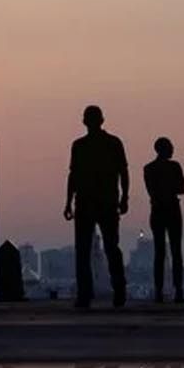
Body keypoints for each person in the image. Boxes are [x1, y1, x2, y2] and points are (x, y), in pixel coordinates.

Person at [64, 105, 130, 308]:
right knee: (111, 248)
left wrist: (68, 202)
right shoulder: (113, 143)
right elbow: (123, 173)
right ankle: (118, 291)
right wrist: (124, 197)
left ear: (85, 121)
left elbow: (73, 176)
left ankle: (86, 294)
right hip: (105, 202)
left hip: (86, 202)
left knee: (84, 250)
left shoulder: (80, 145)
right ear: (102, 120)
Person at [142, 137, 184, 303]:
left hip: (157, 210)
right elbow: (182, 189)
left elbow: (151, 191)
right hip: (172, 210)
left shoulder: (148, 168)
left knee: (159, 252)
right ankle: (179, 290)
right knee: (176, 252)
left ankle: (159, 291)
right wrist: (170, 187)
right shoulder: (174, 167)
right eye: (170, 147)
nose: (172, 150)